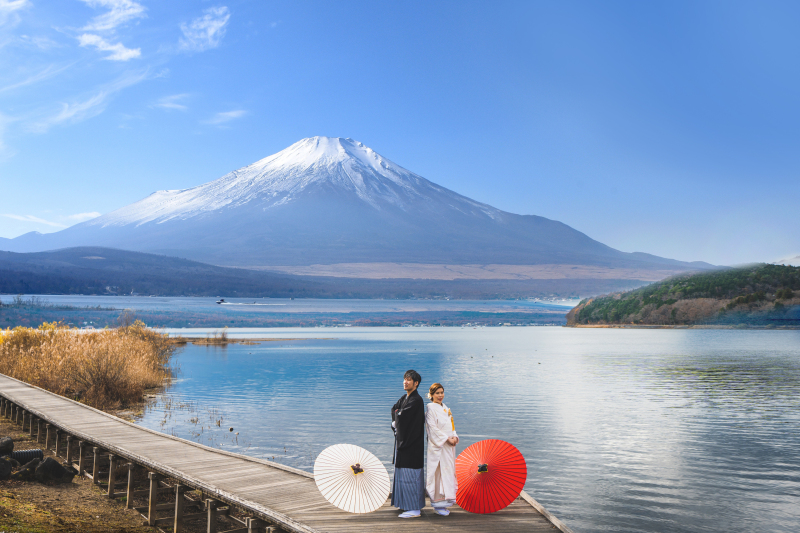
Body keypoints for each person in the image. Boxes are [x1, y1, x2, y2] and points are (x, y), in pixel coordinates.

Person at [391, 369, 425, 518]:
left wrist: (397, 417)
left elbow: (402, 415)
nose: (405, 382)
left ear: (416, 383)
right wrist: (397, 416)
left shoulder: (416, 400)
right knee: (403, 475)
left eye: (409, 380)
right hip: (403, 442)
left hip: (412, 444)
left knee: (412, 476)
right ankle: (405, 504)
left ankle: (415, 509)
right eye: (404, 379)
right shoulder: (405, 397)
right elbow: (395, 409)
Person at [425, 382, 459, 516]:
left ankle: (446, 501)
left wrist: (455, 436)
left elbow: (452, 425)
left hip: (448, 447)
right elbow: (432, 429)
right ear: (431, 395)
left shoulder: (445, 408)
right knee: (438, 473)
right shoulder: (430, 409)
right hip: (438, 447)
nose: (440, 395)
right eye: (437, 393)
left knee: (448, 471)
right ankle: (438, 504)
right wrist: (446, 439)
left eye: (442, 392)